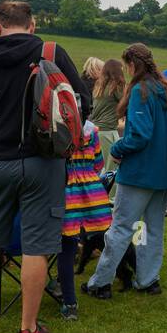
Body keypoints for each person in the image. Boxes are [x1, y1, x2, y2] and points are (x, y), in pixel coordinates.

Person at [0, 1, 91, 333]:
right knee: (37, 245)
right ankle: (28, 328)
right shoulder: (51, 52)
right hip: (43, 161)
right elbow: (81, 101)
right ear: (32, 24)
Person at [82, 43, 167, 300]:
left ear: (133, 65)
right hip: (161, 174)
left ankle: (100, 282)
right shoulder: (164, 89)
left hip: (138, 173)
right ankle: (148, 279)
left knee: (121, 228)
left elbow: (139, 135)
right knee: (151, 229)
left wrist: (117, 149)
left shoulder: (140, 90)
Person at [54, 117, 112, 318]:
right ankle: (104, 283)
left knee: (66, 246)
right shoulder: (91, 131)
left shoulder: (55, 128)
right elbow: (98, 163)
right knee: (93, 239)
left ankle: (68, 300)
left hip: (65, 189)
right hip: (91, 192)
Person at [90, 57, 126, 170]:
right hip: (108, 131)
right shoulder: (115, 86)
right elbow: (127, 103)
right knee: (111, 170)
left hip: (95, 130)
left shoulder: (99, 85)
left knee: (99, 168)